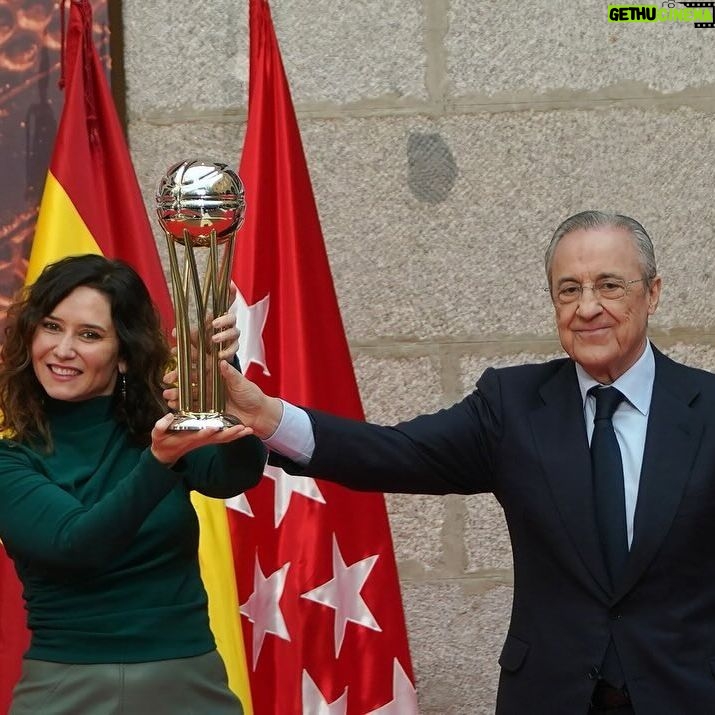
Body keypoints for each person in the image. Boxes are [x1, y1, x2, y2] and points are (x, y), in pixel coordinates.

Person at [191, 210, 715, 714]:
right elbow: (393, 452)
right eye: (569, 290)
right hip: (549, 697)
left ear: (653, 293)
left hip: (687, 695)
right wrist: (265, 414)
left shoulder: (707, 409)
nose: (587, 307)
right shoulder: (513, 405)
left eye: (610, 285)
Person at [0, 254, 266, 715]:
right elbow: (75, 544)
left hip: (189, 681)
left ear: (123, 355)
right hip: (66, 688)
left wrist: (223, 378)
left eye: (89, 335)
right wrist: (158, 461)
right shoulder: (10, 459)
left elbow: (234, 475)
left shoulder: (159, 427)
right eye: (51, 326)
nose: (63, 349)